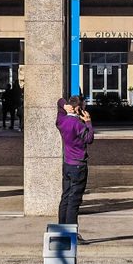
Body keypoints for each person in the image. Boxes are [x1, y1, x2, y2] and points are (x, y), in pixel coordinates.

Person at [57, 95, 95, 230]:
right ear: (78, 108)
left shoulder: (61, 121)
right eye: (83, 106)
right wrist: (88, 122)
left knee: (65, 197)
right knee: (74, 201)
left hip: (67, 163)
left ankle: (61, 229)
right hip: (78, 165)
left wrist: (63, 105)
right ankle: (71, 232)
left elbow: (59, 102)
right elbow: (89, 138)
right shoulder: (78, 124)